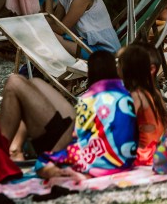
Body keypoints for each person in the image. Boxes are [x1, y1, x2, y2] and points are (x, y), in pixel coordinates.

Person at [33, 51, 137, 180]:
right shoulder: (126, 94)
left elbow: (80, 134)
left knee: (42, 162)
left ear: (90, 73)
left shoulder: (88, 99)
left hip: (101, 160)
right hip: (126, 159)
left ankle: (67, 173)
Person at [118, 41, 167, 167]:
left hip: (145, 155)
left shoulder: (136, 96)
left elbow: (122, 126)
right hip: (161, 151)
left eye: (120, 64)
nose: (117, 68)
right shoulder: (155, 93)